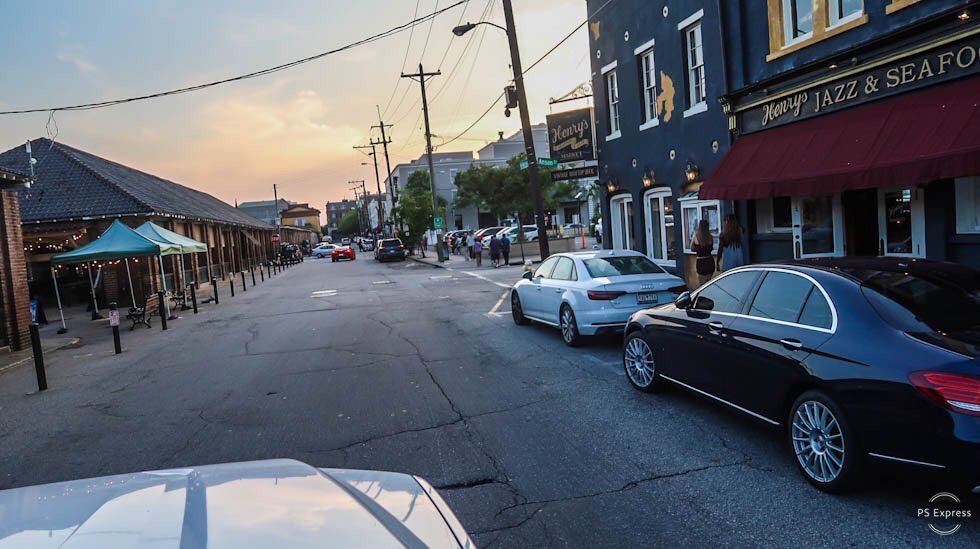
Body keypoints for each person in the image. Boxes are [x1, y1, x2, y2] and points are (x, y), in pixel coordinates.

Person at [691, 219, 715, 286]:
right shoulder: (710, 237)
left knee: (702, 285)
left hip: (701, 262)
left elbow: (692, 248)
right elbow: (711, 248)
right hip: (709, 261)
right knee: (708, 284)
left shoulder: (696, 236)